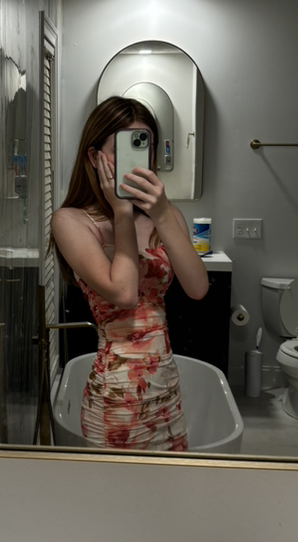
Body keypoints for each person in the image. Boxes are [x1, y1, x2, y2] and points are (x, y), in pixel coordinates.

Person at [50, 96, 209, 451]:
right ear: (94, 157)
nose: (137, 159)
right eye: (122, 148)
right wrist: (121, 213)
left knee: (171, 482)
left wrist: (163, 213)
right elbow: (123, 294)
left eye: (144, 146)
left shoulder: (167, 217)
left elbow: (198, 288)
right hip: (116, 393)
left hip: (166, 387)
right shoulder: (71, 221)